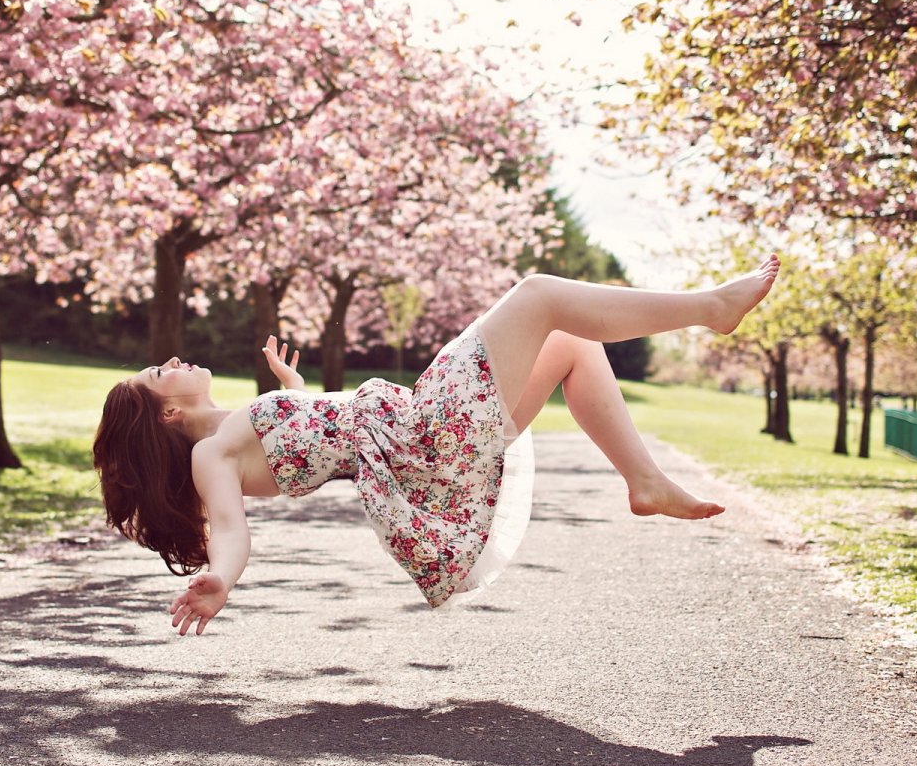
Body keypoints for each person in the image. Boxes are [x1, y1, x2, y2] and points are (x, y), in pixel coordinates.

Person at [94, 258, 781, 634]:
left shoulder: (234, 429)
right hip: (426, 430)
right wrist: (222, 580)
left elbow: (303, 439)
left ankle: (644, 481)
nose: (174, 360)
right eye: (161, 372)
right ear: (163, 413)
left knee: (572, 342)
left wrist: (293, 388)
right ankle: (710, 308)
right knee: (540, 296)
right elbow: (234, 531)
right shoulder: (210, 458)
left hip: (430, 441)